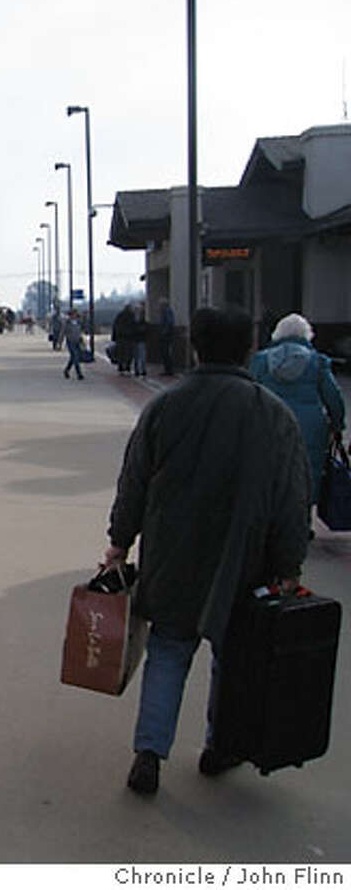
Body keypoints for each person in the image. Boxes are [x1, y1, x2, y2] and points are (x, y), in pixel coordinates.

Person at [102, 308, 310, 796]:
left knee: (169, 653)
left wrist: (119, 540)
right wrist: (287, 565)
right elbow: (291, 500)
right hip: (244, 562)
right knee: (233, 658)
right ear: (248, 350)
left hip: (172, 557)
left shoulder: (166, 407)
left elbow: (134, 482)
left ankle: (149, 755)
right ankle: (221, 748)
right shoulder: (271, 413)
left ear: (195, 347)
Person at [249, 313, 346, 510]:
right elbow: (333, 396)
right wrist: (337, 423)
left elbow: (250, 391)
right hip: (310, 426)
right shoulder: (317, 362)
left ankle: (273, 518)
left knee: (271, 469)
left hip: (270, 422)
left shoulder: (260, 361)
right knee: (307, 470)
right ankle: (303, 520)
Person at [112, 303, 136, 374]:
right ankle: (127, 368)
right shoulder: (132, 316)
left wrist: (114, 337)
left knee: (121, 353)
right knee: (128, 353)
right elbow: (134, 327)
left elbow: (115, 326)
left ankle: (121, 368)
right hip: (129, 338)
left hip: (120, 338)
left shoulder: (120, 315)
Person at [62, 309, 84, 380]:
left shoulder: (78, 322)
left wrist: (82, 340)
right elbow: (63, 332)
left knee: (73, 357)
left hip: (77, 341)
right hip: (70, 341)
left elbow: (80, 332)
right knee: (75, 356)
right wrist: (60, 342)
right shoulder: (67, 323)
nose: (74, 315)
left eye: (75, 314)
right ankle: (79, 373)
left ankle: (66, 370)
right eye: (73, 314)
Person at [158, 299, 176, 376]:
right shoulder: (166, 311)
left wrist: (164, 332)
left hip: (166, 336)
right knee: (165, 352)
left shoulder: (166, 311)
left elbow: (169, 322)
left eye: (160, 305)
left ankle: (169, 370)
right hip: (166, 335)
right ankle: (167, 369)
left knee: (166, 352)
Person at [131, 303, 148, 377]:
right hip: (137, 340)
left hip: (140, 340)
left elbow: (145, 329)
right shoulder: (134, 320)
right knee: (137, 356)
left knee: (141, 355)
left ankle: (142, 370)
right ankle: (138, 370)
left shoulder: (141, 320)